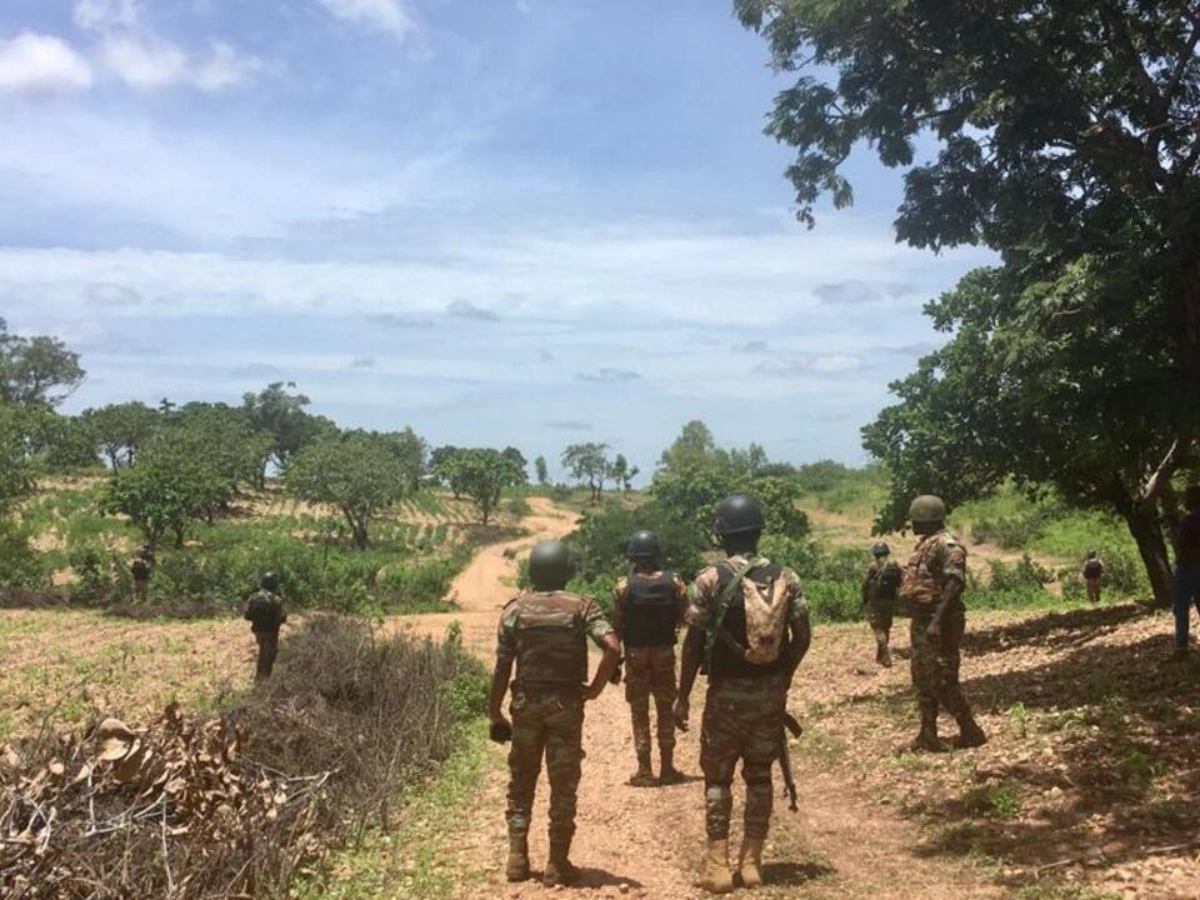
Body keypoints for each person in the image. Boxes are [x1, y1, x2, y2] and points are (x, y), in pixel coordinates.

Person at [675, 494, 811, 894]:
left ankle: (718, 866)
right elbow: (802, 636)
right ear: (758, 530)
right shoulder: (788, 576)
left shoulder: (709, 580)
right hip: (770, 695)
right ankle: (752, 863)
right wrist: (782, 676)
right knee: (760, 777)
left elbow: (692, 644)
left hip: (724, 697)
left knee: (717, 779)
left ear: (721, 534)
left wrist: (682, 696)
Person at [489, 540, 621, 886]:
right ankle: (556, 864)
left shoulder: (514, 610)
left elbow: (502, 668)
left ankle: (517, 859)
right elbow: (612, 646)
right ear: (567, 571)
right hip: (566, 705)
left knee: (521, 781)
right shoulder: (582, 607)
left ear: (532, 571)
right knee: (563, 784)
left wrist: (495, 714)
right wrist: (594, 689)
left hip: (525, 704)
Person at [900, 495, 987, 752]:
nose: (913, 525)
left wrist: (937, 621)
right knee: (923, 677)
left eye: (915, 519)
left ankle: (970, 729)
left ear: (926, 519)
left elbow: (954, 582)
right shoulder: (926, 545)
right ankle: (928, 734)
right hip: (923, 619)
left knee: (942, 677)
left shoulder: (947, 545)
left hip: (940, 621)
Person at [612, 529, 689, 787]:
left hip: (635, 654)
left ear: (633, 556)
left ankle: (644, 770)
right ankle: (667, 768)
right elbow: (685, 616)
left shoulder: (623, 586)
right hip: (664, 652)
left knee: (639, 710)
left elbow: (618, 625)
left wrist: (614, 662)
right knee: (665, 709)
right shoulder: (675, 582)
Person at [1170, 484, 1200, 660]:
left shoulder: (1189, 520)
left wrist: (1174, 528)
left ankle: (1181, 648)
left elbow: (1180, 542)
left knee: (1181, 608)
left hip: (1188, 567)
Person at [862, 542, 902, 667]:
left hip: (875, 601)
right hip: (890, 600)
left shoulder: (873, 566)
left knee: (877, 628)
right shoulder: (894, 566)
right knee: (885, 627)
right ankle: (880, 656)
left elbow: (865, 584)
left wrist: (865, 598)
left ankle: (885, 654)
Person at [244, 572, 287, 681]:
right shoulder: (275, 599)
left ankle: (259, 678)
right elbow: (283, 617)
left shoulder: (254, 597)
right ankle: (264, 681)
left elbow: (247, 615)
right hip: (271, 632)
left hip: (258, 631)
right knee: (270, 656)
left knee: (263, 653)